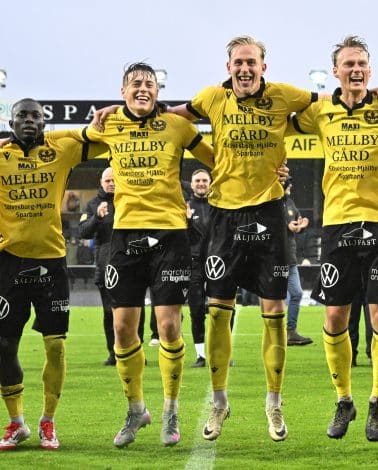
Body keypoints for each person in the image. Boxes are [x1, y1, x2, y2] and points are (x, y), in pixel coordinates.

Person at [65, 62, 215, 448]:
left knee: (168, 326)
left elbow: (218, 159)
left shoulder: (178, 127)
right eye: (136, 84)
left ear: (157, 91)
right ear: (122, 91)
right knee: (121, 329)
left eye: (149, 83)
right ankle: (136, 409)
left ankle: (170, 408)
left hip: (170, 237)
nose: (143, 88)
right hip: (124, 236)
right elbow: (70, 144)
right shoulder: (109, 126)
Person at [290, 36, 378, 442]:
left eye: (362, 62)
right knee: (334, 318)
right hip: (337, 226)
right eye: (349, 64)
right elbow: (275, 120)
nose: (356, 69)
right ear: (336, 71)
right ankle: (345, 401)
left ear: (371, 69)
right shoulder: (320, 111)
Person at [0, 98, 104, 450]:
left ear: (44, 122)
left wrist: (81, 127)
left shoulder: (61, 150)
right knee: (3, 346)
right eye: (22, 116)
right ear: (11, 122)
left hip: (52, 262)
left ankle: (48, 421)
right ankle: (16, 422)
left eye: (36, 116)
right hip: (9, 263)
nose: (29, 120)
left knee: (55, 346)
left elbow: (99, 136)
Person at [80, 167, 150, 366]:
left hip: (132, 265)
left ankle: (137, 350)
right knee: (109, 312)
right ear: (101, 183)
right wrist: (97, 218)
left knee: (136, 310)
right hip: (106, 267)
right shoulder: (93, 204)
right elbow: (83, 232)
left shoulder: (130, 200)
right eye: (107, 180)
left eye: (114, 180)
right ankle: (113, 353)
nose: (111, 183)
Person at [186, 168, 211, 367]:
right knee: (196, 308)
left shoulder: (218, 205)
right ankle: (201, 355)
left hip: (217, 262)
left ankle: (223, 352)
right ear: (192, 184)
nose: (201, 183)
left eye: (204, 180)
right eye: (198, 180)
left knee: (224, 309)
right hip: (193, 263)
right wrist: (186, 220)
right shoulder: (184, 206)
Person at [283, 179, 313, 346]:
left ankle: (291, 332)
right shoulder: (272, 202)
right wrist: (287, 225)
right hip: (274, 258)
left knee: (296, 293)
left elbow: (298, 221)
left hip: (290, 258)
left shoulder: (290, 202)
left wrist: (302, 225)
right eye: (288, 184)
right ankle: (275, 334)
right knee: (273, 299)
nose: (291, 186)